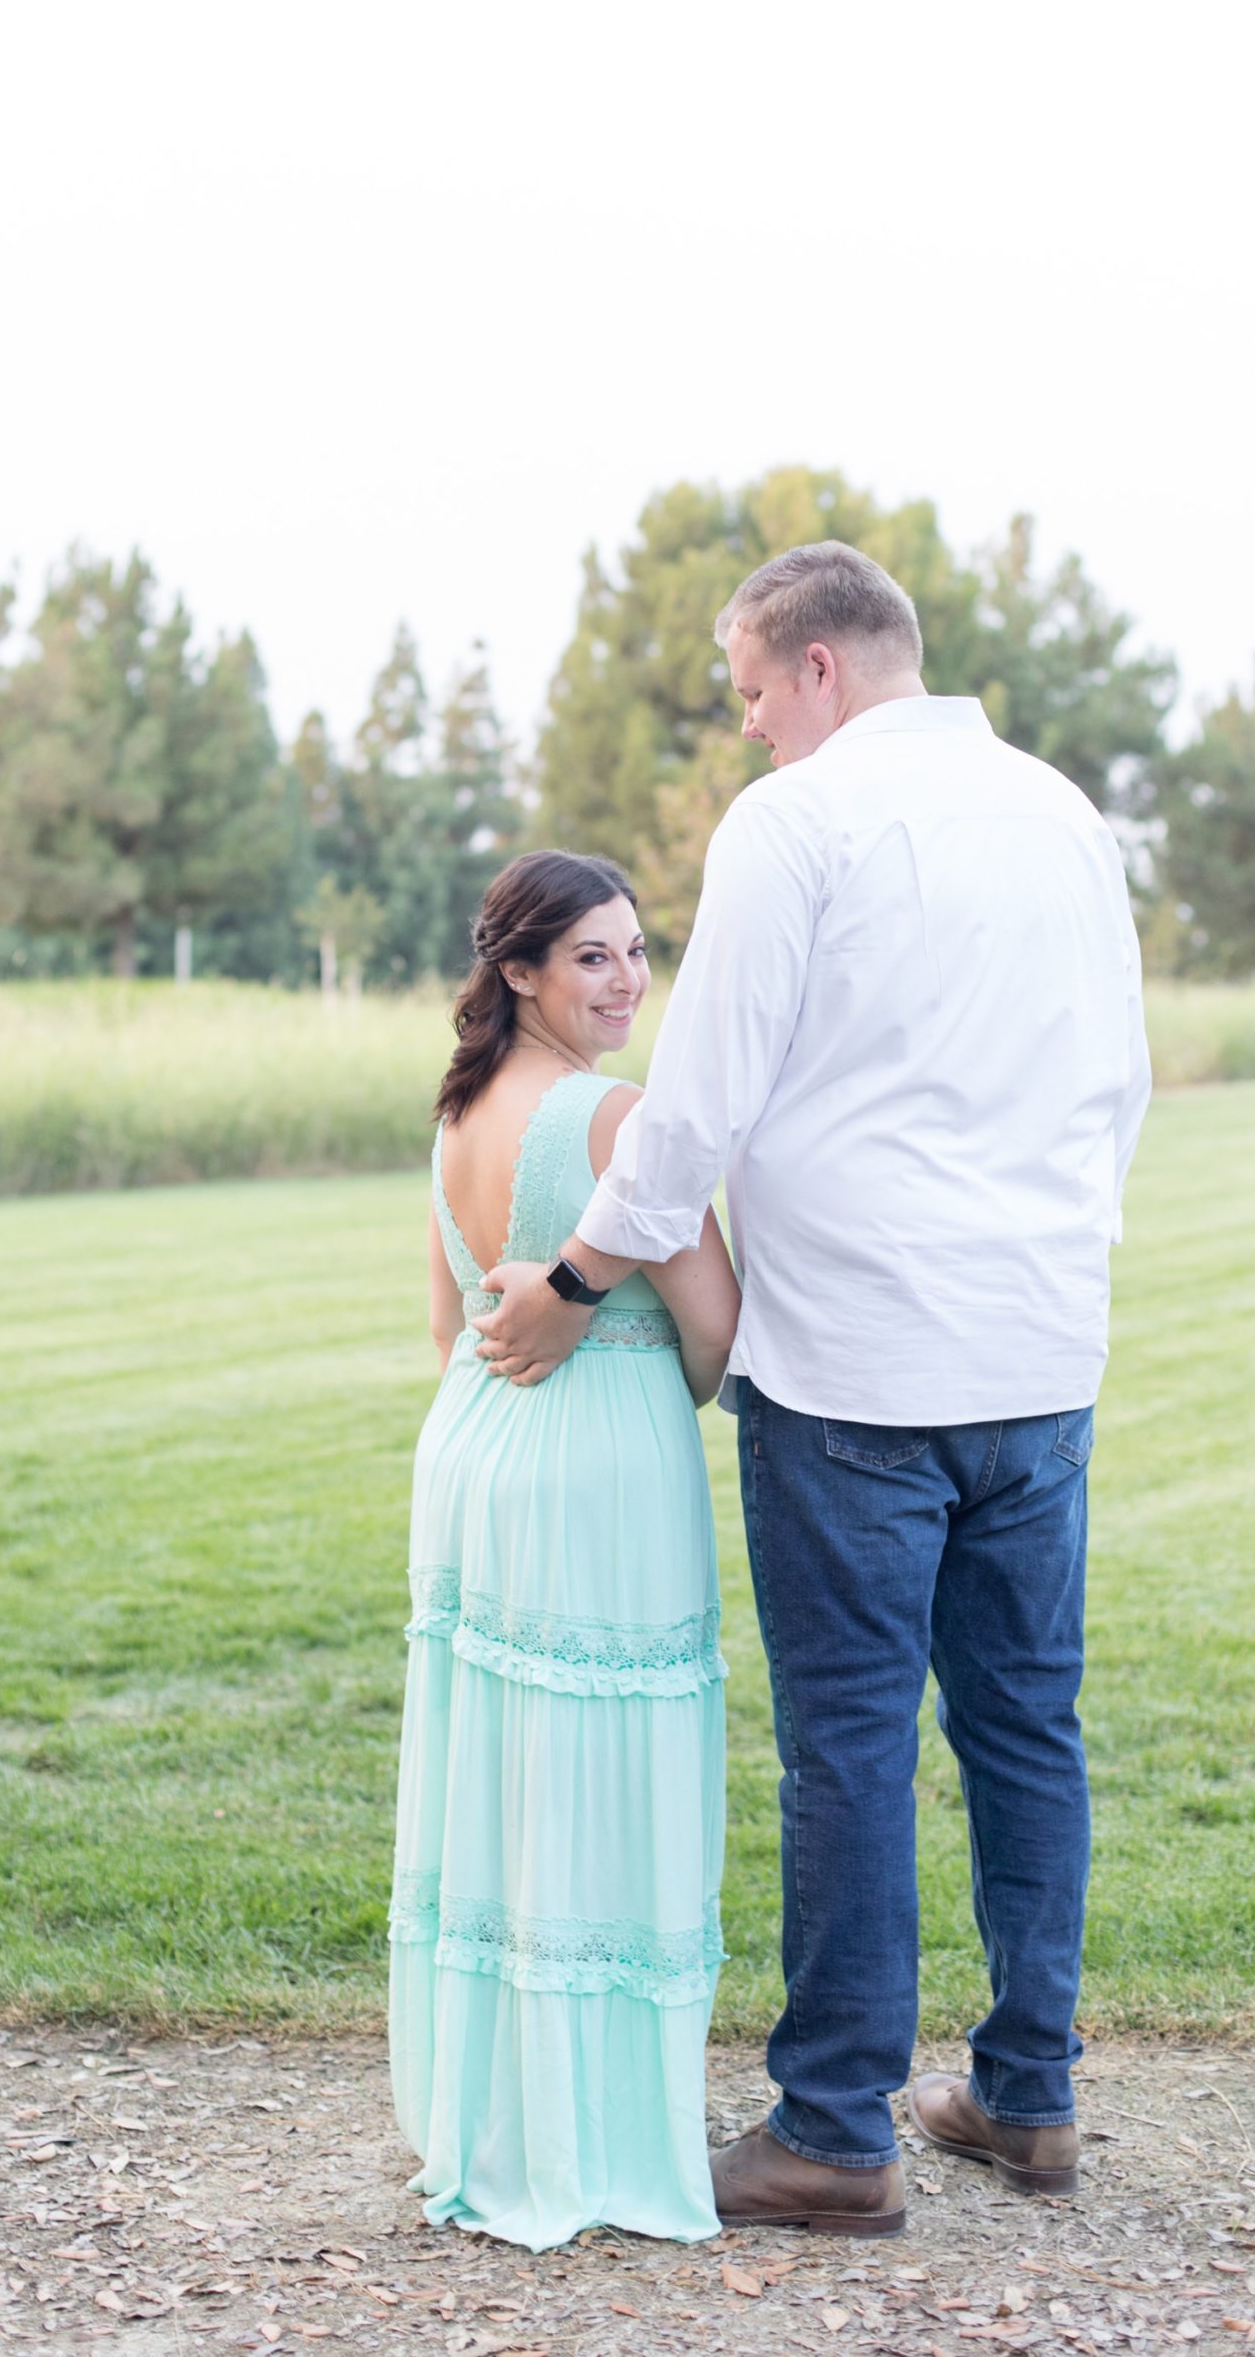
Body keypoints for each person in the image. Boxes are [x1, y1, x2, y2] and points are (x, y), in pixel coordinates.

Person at [478, 541, 1152, 2235]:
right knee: (1025, 1727)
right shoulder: (1066, 812)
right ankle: (1026, 2094)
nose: (754, 727)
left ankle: (835, 2132)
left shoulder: (801, 821)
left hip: (855, 1361)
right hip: (1038, 1349)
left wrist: (572, 1283)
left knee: (850, 1745)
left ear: (819, 670)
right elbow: (1119, 1082)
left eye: (752, 692)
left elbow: (693, 1108)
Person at [389, 848, 741, 2251]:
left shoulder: (459, 1109)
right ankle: (589, 2137)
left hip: (476, 1446)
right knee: (599, 1785)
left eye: (639, 951)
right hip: (597, 1462)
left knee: (504, 1780)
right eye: (593, 954)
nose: (627, 979)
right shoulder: (615, 1116)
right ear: (521, 970)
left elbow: (443, 1324)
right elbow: (712, 1332)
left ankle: (496, 2116)